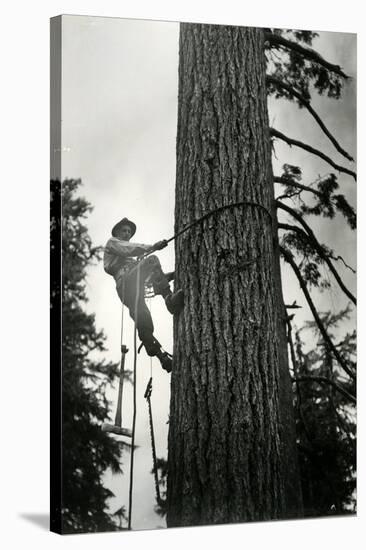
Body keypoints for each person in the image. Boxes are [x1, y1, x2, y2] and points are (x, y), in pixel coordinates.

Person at [103, 217, 183, 372]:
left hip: (132, 288)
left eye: (129, 232)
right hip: (125, 283)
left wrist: (171, 275)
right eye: (124, 230)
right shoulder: (113, 243)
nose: (127, 234)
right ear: (117, 232)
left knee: (143, 320)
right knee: (152, 260)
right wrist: (152, 247)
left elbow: (153, 278)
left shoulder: (129, 259)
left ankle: (162, 358)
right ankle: (169, 300)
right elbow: (129, 248)